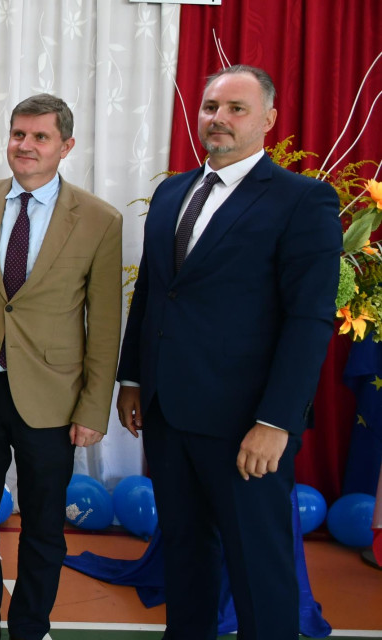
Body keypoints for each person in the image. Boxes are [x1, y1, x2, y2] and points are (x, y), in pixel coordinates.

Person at [116, 65, 340, 640]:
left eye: (236, 108)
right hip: (169, 414)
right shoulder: (172, 192)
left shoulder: (303, 200)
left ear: (268, 119)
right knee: (185, 562)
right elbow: (153, 291)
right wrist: (134, 379)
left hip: (246, 425)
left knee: (258, 570)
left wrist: (275, 422)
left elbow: (309, 319)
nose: (219, 118)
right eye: (211, 106)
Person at [0, 93, 122, 640]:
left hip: (53, 396)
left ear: (65, 146)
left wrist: (94, 407)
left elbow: (105, 325)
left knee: (44, 524)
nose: (26, 145)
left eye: (40, 137)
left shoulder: (99, 220)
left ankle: (30, 626)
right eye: (19, 134)